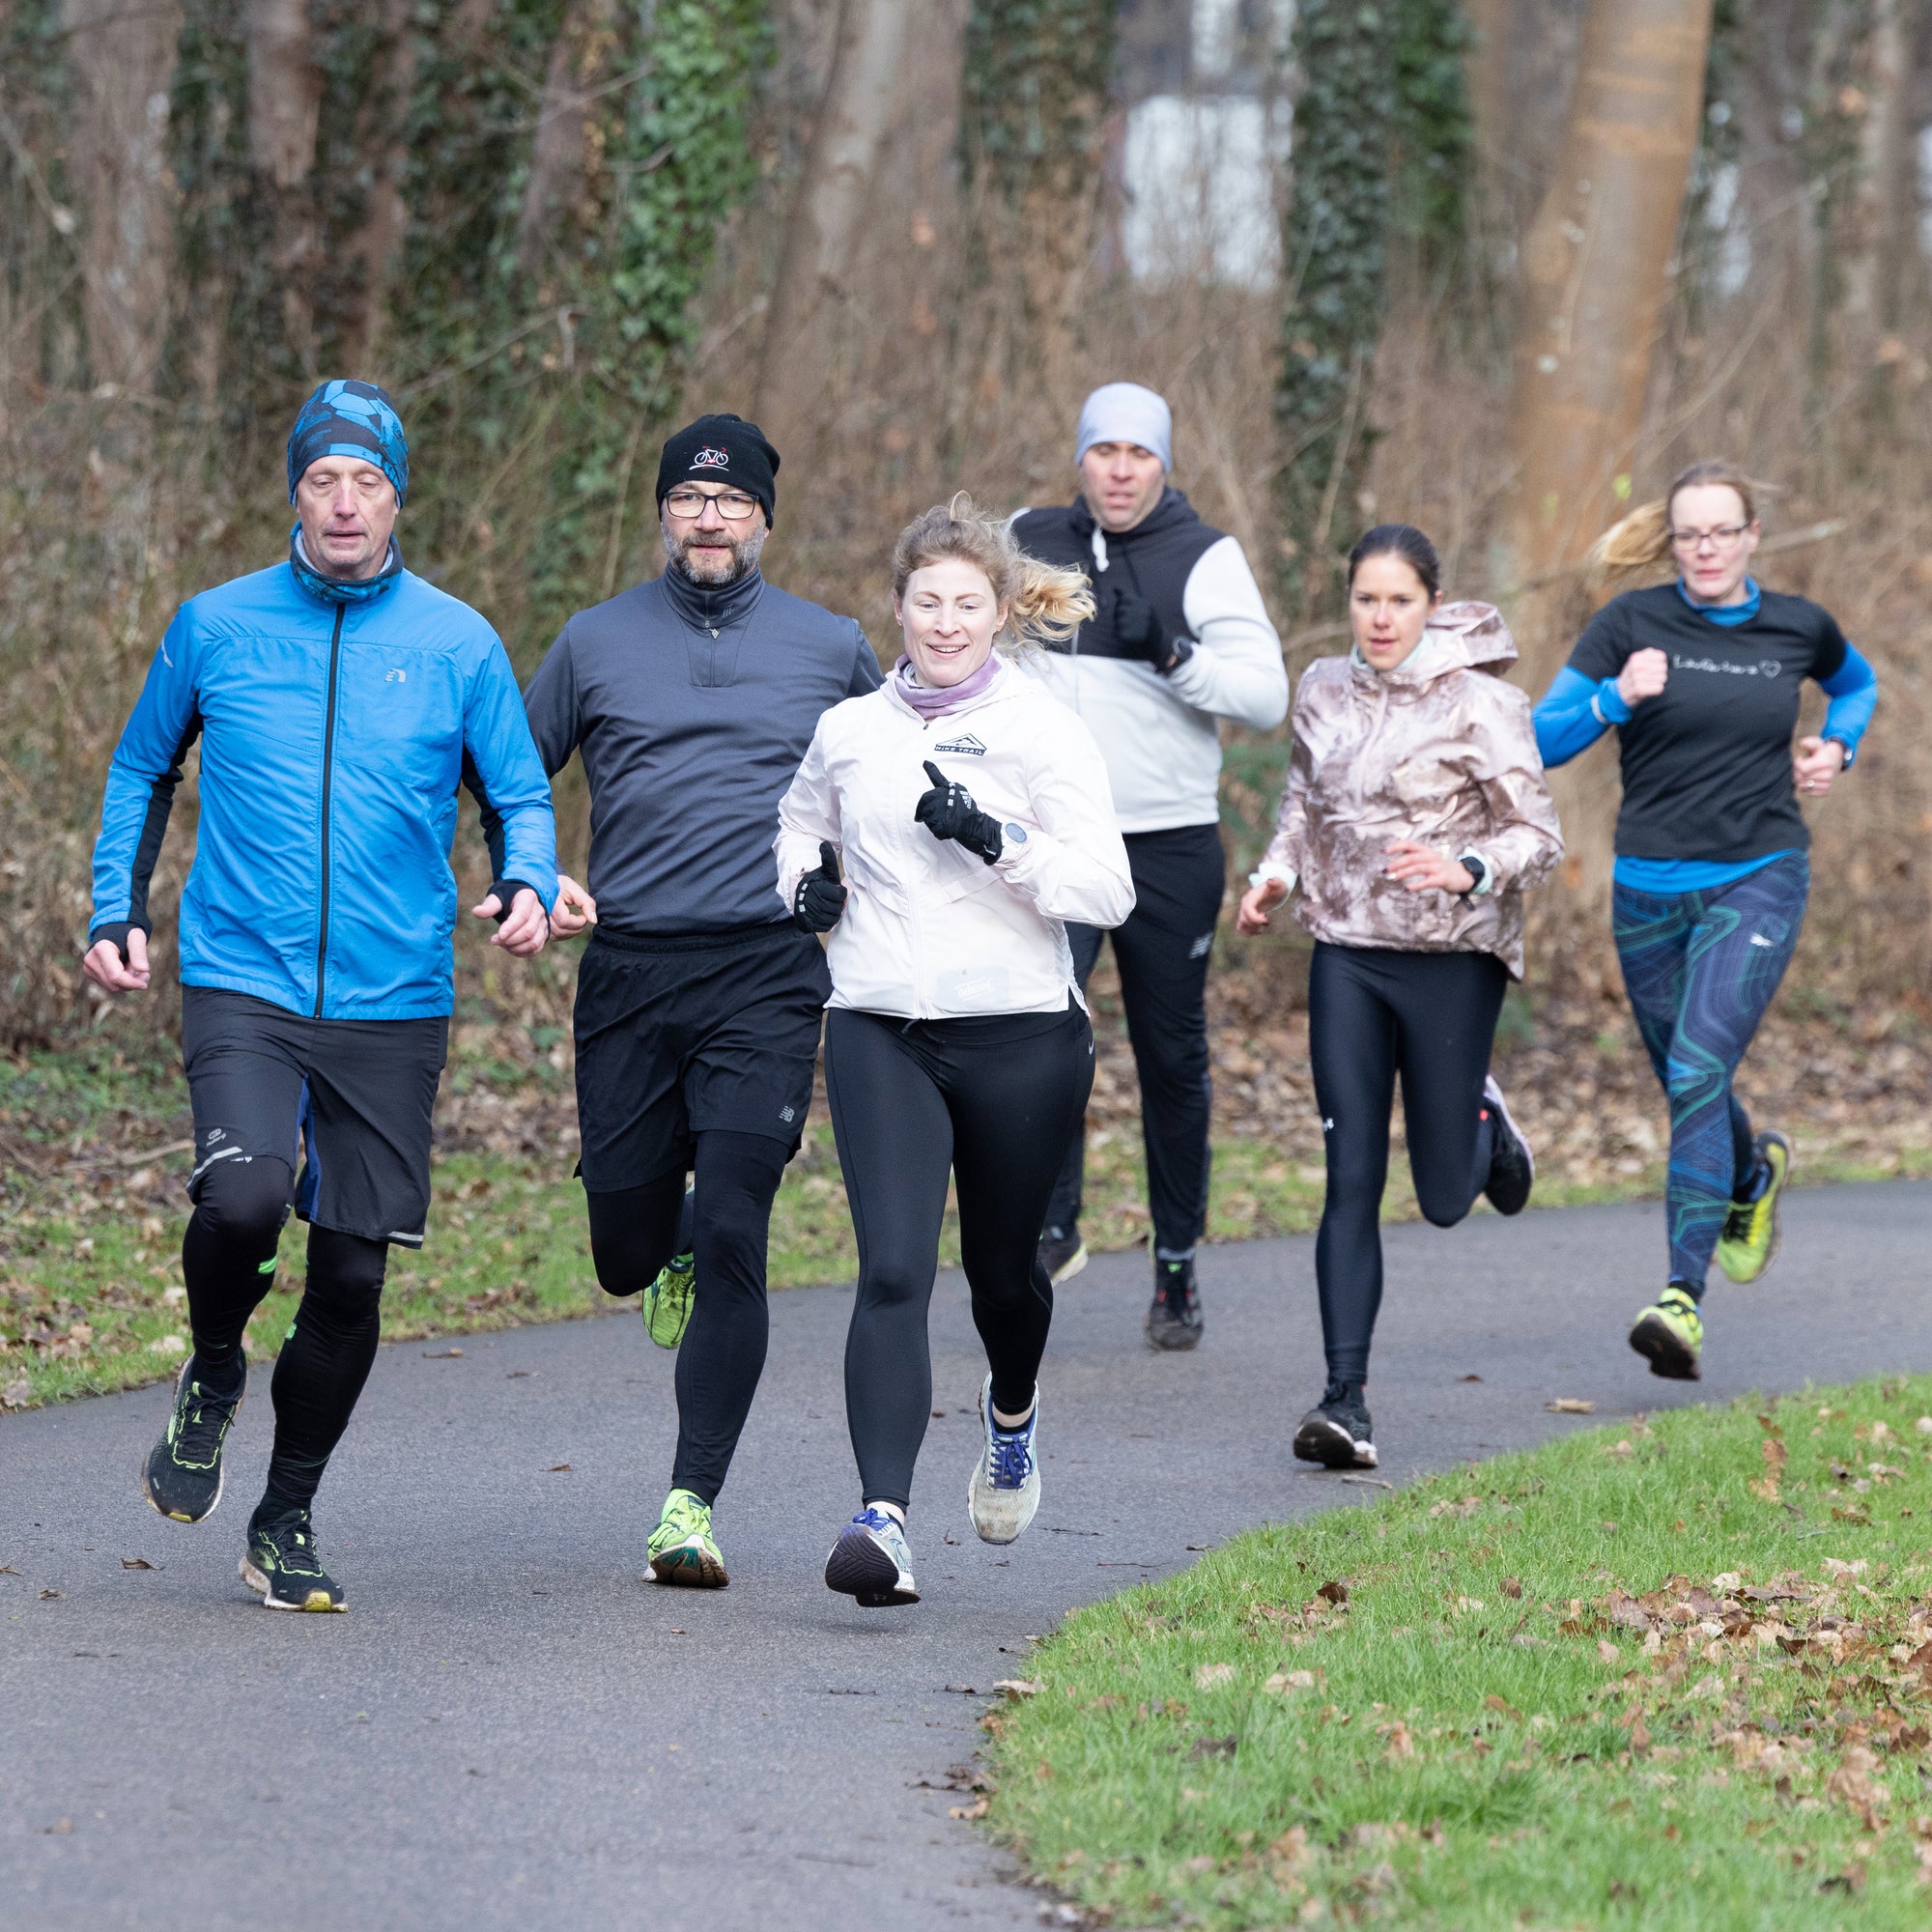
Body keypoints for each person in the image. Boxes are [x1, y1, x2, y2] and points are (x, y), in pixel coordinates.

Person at [85, 379, 557, 1611]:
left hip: (393, 995)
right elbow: (142, 765)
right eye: (321, 480)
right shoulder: (216, 625)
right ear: (293, 491)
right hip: (240, 970)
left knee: (351, 1273)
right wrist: (114, 906)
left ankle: (284, 1515)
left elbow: (519, 792)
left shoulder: (457, 643)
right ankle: (209, 1370)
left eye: (367, 482)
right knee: (242, 1195)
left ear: (399, 496)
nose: (344, 503)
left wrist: (525, 880)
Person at [523, 413, 881, 1590]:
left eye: (730, 501)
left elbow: (886, 787)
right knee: (627, 1254)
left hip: (767, 971)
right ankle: (656, 1245)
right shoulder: (591, 642)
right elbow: (512, 779)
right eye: (688, 498)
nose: (709, 517)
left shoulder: (830, 649)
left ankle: (689, 1503)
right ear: (663, 514)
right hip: (628, 968)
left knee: (736, 1222)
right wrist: (529, 869)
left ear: (765, 516)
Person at [777, 497, 1132, 1607]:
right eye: (924, 601)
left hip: (1020, 1031)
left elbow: (1106, 886)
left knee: (1000, 1276)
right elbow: (797, 822)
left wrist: (996, 837)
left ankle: (1012, 1410)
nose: (942, 622)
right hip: (882, 1023)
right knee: (890, 1268)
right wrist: (805, 886)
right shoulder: (851, 730)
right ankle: (881, 1517)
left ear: (998, 612)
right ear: (896, 606)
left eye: (964, 604)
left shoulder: (1041, 728)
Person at [1533, 461, 1877, 1381]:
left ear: (1753, 534)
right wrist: (1616, 698)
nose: (1707, 549)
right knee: (1690, 1079)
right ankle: (1751, 1171)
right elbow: (1540, 737)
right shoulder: (1630, 625)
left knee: (1694, 1067)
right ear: (1672, 540)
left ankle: (1680, 1297)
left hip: (1759, 873)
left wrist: (1835, 748)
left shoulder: (1798, 625)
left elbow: (1858, 684)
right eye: (1691, 535)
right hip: (1647, 888)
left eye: (1723, 532)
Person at [1237, 526, 1562, 1469]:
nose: (1378, 618)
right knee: (1347, 1177)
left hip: (1451, 953)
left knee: (1443, 1199)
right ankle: (1344, 1400)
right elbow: (1302, 805)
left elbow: (1535, 838)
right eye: (1364, 599)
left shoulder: (1485, 703)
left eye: (1398, 601)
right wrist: (1272, 875)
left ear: (1430, 603)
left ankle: (1482, 1123)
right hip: (1344, 948)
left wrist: (1465, 866)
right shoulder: (1319, 687)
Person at [1013, 383, 1288, 1349]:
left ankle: (1174, 1263)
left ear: (1163, 464)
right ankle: (1051, 1226)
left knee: (1170, 1056)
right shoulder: (1026, 536)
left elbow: (1263, 693)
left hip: (1168, 840)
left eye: (1138, 453)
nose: (1119, 469)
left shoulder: (1202, 555)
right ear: (1079, 458)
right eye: (1102, 451)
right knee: (1039, 1031)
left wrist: (1170, 650)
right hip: (1059, 836)